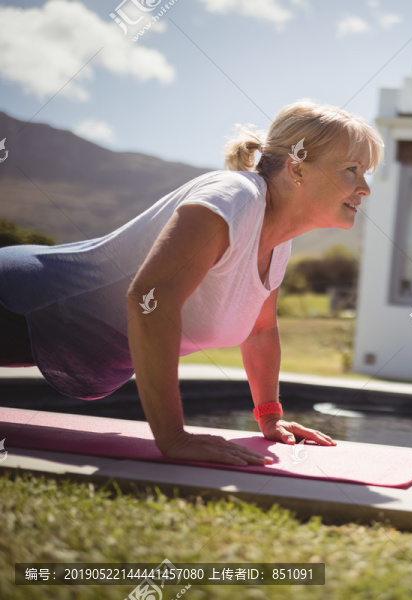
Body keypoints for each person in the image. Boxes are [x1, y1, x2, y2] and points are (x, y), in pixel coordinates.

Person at [0, 100, 383, 466]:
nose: (364, 187)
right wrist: (174, 437)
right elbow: (150, 298)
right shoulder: (233, 199)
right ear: (297, 170)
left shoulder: (278, 238)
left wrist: (270, 417)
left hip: (44, 323)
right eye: (351, 169)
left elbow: (261, 329)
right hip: (17, 301)